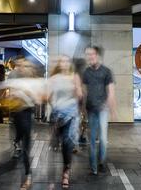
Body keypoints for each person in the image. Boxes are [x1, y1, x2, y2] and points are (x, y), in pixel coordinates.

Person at [0, 57, 44, 190]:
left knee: (26, 147)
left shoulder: (34, 82)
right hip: (16, 113)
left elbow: (41, 97)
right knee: (18, 136)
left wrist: (29, 94)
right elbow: (1, 87)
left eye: (26, 66)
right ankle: (17, 142)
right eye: (21, 66)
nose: (23, 68)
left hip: (27, 114)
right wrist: (4, 98)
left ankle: (27, 177)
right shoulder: (15, 78)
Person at [48, 56, 82, 188]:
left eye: (67, 61)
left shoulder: (75, 77)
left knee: (67, 144)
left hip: (71, 115)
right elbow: (49, 96)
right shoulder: (54, 79)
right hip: (57, 115)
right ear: (60, 64)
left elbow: (79, 94)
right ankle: (54, 173)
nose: (65, 64)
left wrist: (78, 93)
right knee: (55, 145)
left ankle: (66, 172)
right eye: (62, 61)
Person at [82, 46, 116, 175]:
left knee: (102, 138)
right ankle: (93, 167)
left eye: (91, 54)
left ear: (97, 55)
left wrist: (112, 109)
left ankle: (101, 161)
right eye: (87, 54)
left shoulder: (106, 71)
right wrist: (82, 109)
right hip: (90, 110)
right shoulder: (86, 72)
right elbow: (84, 91)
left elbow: (111, 91)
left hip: (102, 110)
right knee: (91, 140)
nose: (89, 57)